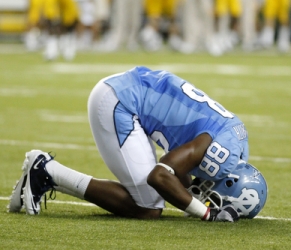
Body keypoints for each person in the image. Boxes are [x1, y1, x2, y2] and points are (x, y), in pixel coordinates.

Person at [8, 66, 268, 222]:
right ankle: (47, 171)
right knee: (149, 206)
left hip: (131, 90)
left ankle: (45, 172)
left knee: (155, 198)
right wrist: (206, 213)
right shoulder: (221, 154)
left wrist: (192, 195)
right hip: (121, 102)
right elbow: (160, 175)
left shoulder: (235, 142)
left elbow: (178, 168)